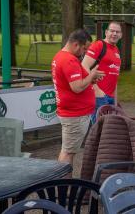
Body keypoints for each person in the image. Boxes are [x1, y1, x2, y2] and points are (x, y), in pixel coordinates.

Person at [51, 29, 104, 169]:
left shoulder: (60, 56)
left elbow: (74, 84)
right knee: (68, 153)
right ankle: (64, 186)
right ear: (76, 44)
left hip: (72, 113)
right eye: (84, 48)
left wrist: (90, 80)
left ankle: (65, 183)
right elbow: (77, 87)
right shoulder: (69, 60)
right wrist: (91, 75)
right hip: (75, 115)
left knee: (68, 150)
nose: (84, 53)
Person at [82, 21, 122, 123]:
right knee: (98, 130)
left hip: (110, 98)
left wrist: (115, 101)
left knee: (107, 131)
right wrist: (96, 89)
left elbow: (114, 77)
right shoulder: (99, 45)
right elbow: (84, 65)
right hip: (98, 96)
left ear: (121, 35)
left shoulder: (116, 50)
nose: (114, 34)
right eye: (112, 31)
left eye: (117, 32)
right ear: (106, 32)